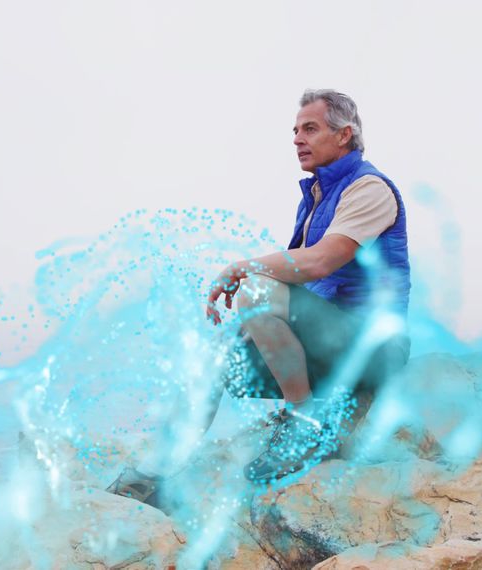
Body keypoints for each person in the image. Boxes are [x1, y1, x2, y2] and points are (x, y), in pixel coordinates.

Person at [108, 89, 410, 504]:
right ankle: (155, 475)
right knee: (217, 354)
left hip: (371, 350)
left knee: (254, 289)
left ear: (345, 135)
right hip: (327, 349)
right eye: (295, 130)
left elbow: (321, 262)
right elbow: (301, 286)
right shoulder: (317, 197)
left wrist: (241, 269)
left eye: (310, 128)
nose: (297, 139)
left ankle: (304, 424)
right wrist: (249, 331)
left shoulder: (369, 189)